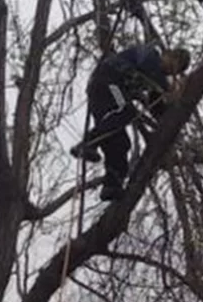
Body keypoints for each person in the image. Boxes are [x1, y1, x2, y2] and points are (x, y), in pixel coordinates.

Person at [71, 45, 191, 201]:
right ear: (168, 55)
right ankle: (88, 142)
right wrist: (168, 89)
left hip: (109, 98)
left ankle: (111, 186)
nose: (170, 72)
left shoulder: (156, 77)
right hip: (108, 82)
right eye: (174, 66)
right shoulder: (148, 53)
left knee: (120, 142)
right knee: (126, 111)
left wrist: (172, 108)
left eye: (175, 71)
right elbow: (148, 67)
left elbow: (157, 107)